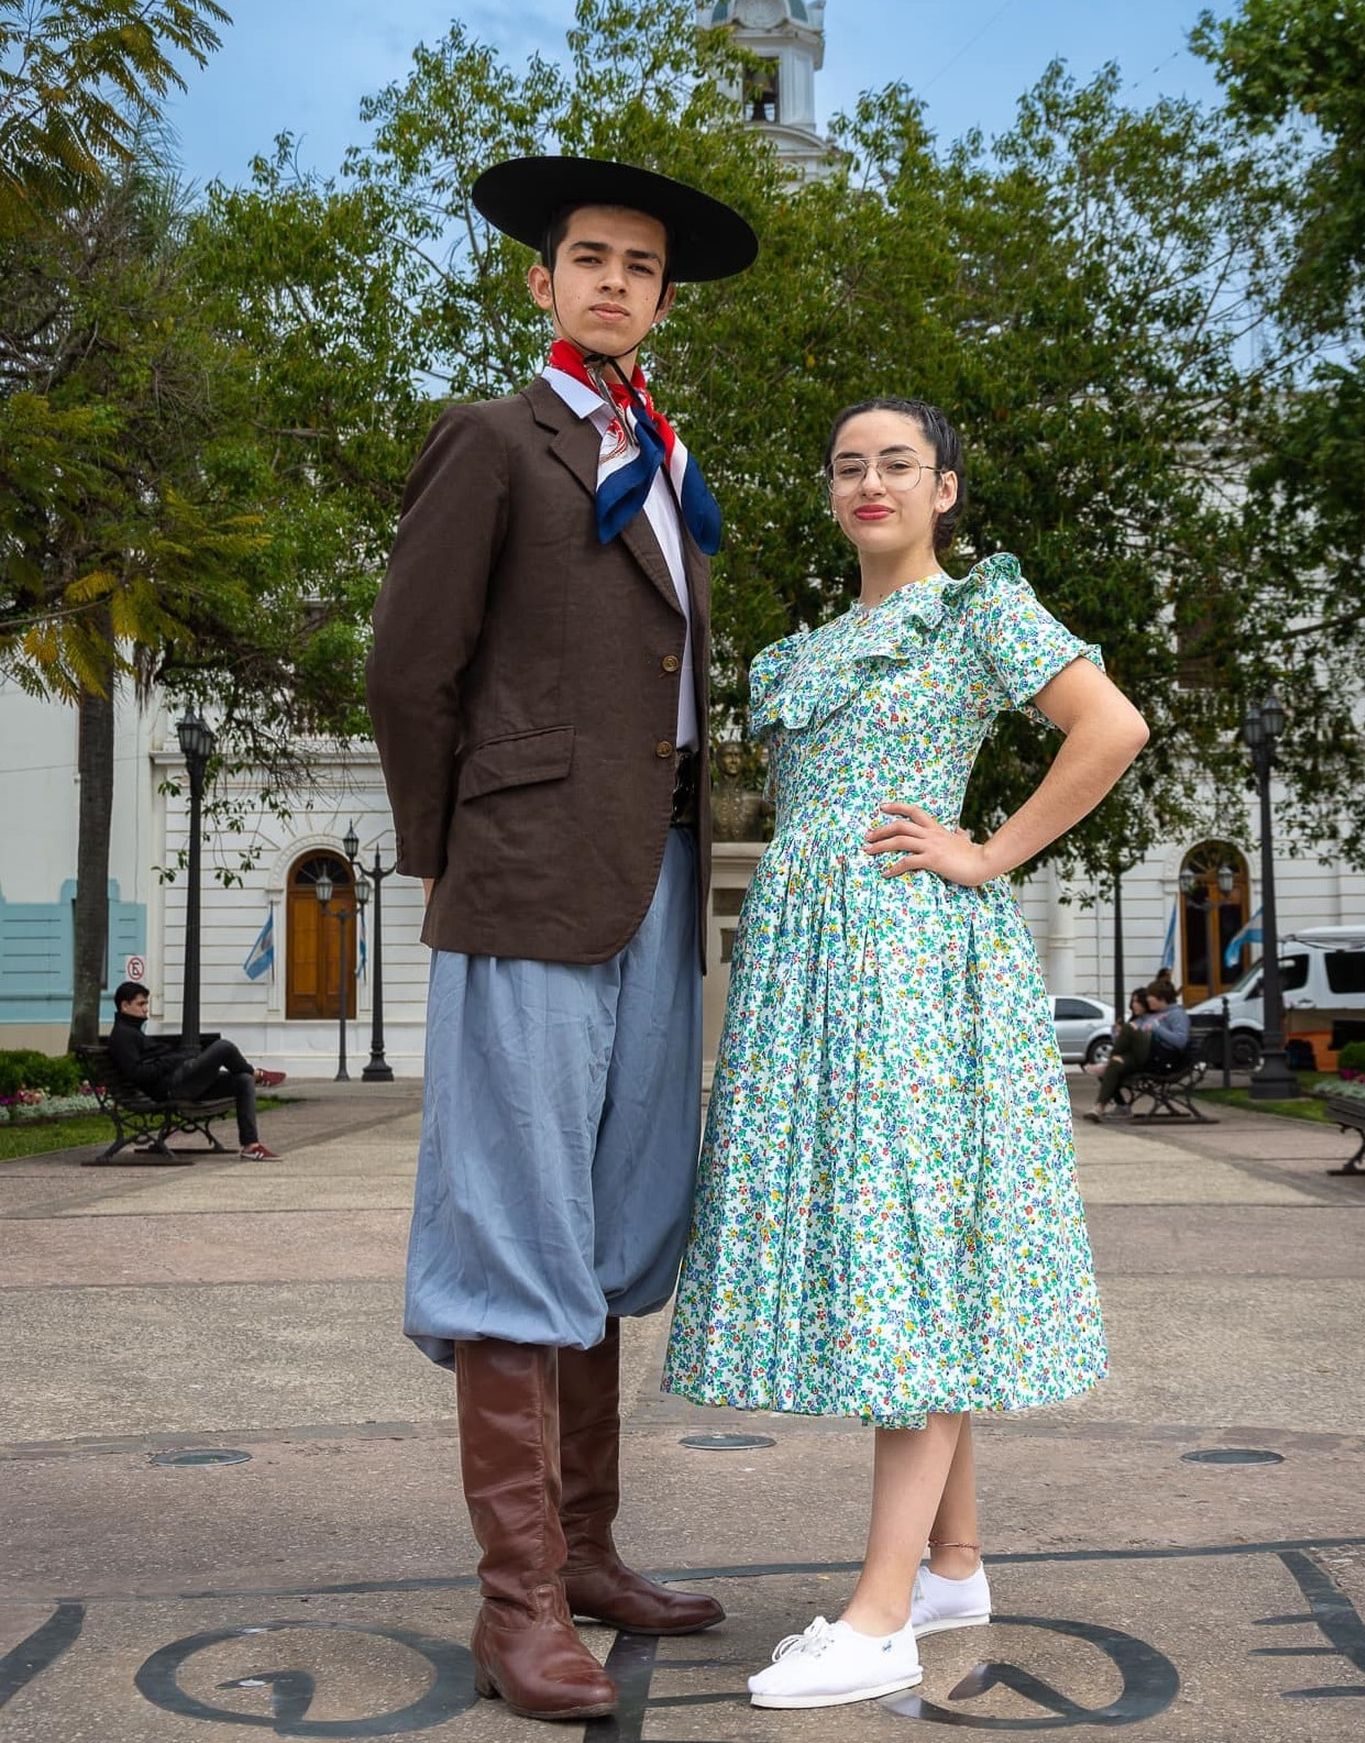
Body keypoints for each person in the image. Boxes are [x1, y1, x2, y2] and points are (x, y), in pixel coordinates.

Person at [662, 398, 1148, 1710]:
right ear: (831, 493)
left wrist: (987, 850)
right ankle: (952, 1562)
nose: (870, 481)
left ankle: (880, 1616)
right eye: (848, 465)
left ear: (946, 489)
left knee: (908, 1256)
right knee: (898, 1243)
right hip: (813, 967)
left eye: (898, 464)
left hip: (919, 970)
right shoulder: (810, 647)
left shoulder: (981, 608)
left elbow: (1112, 727)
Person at [365, 157, 758, 1724]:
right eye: (584, 258)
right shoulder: (494, 439)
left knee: (607, 1222)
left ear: (663, 299)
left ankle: (589, 1550)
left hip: (655, 878)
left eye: (638, 266)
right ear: (541, 283)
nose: (610, 281)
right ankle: (513, 1603)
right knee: (517, 1228)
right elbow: (409, 670)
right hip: (527, 878)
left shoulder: (665, 458)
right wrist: (454, 860)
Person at [105, 981, 281, 1159]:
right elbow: (137, 1073)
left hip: (183, 1081)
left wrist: (177, 1056)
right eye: (141, 1004)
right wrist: (172, 1060)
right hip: (171, 1086)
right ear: (125, 1006)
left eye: (146, 1004)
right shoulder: (122, 1035)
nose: (146, 1009)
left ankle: (251, 1146)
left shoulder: (133, 1032)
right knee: (222, 1047)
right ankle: (257, 1074)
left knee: (243, 1080)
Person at [1085, 974, 1191, 1121]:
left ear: (1161, 997)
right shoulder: (1154, 1015)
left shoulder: (1176, 1014)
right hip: (1143, 1056)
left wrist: (1157, 1028)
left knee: (1129, 1028)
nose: (1147, 999)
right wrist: (1117, 1035)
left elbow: (1181, 1041)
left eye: (1150, 996)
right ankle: (1100, 1108)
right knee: (1116, 1064)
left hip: (1162, 1059)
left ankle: (1107, 1063)